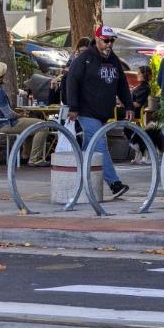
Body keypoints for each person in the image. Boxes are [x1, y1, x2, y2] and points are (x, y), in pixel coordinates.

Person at [64, 26, 132, 200]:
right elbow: (72, 81)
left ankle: (77, 183)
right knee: (100, 146)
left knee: (90, 150)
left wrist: (129, 106)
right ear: (97, 39)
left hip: (102, 113)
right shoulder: (85, 59)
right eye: (106, 40)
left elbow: (122, 84)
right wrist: (73, 107)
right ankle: (114, 184)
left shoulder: (114, 60)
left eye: (112, 41)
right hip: (87, 111)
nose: (109, 44)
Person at [0, 62, 51, 166]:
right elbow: (8, 114)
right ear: (3, 75)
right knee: (43, 126)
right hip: (3, 125)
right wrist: (21, 115)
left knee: (31, 126)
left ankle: (25, 156)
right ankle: (34, 159)